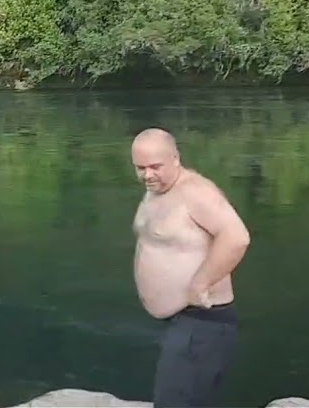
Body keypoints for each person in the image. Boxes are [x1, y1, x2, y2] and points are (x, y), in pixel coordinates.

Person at [130, 128, 252, 408]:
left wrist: (201, 282)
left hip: (203, 322)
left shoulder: (196, 192)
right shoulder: (156, 190)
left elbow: (236, 237)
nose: (148, 175)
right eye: (140, 168)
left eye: (155, 167)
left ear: (175, 158)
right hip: (178, 321)